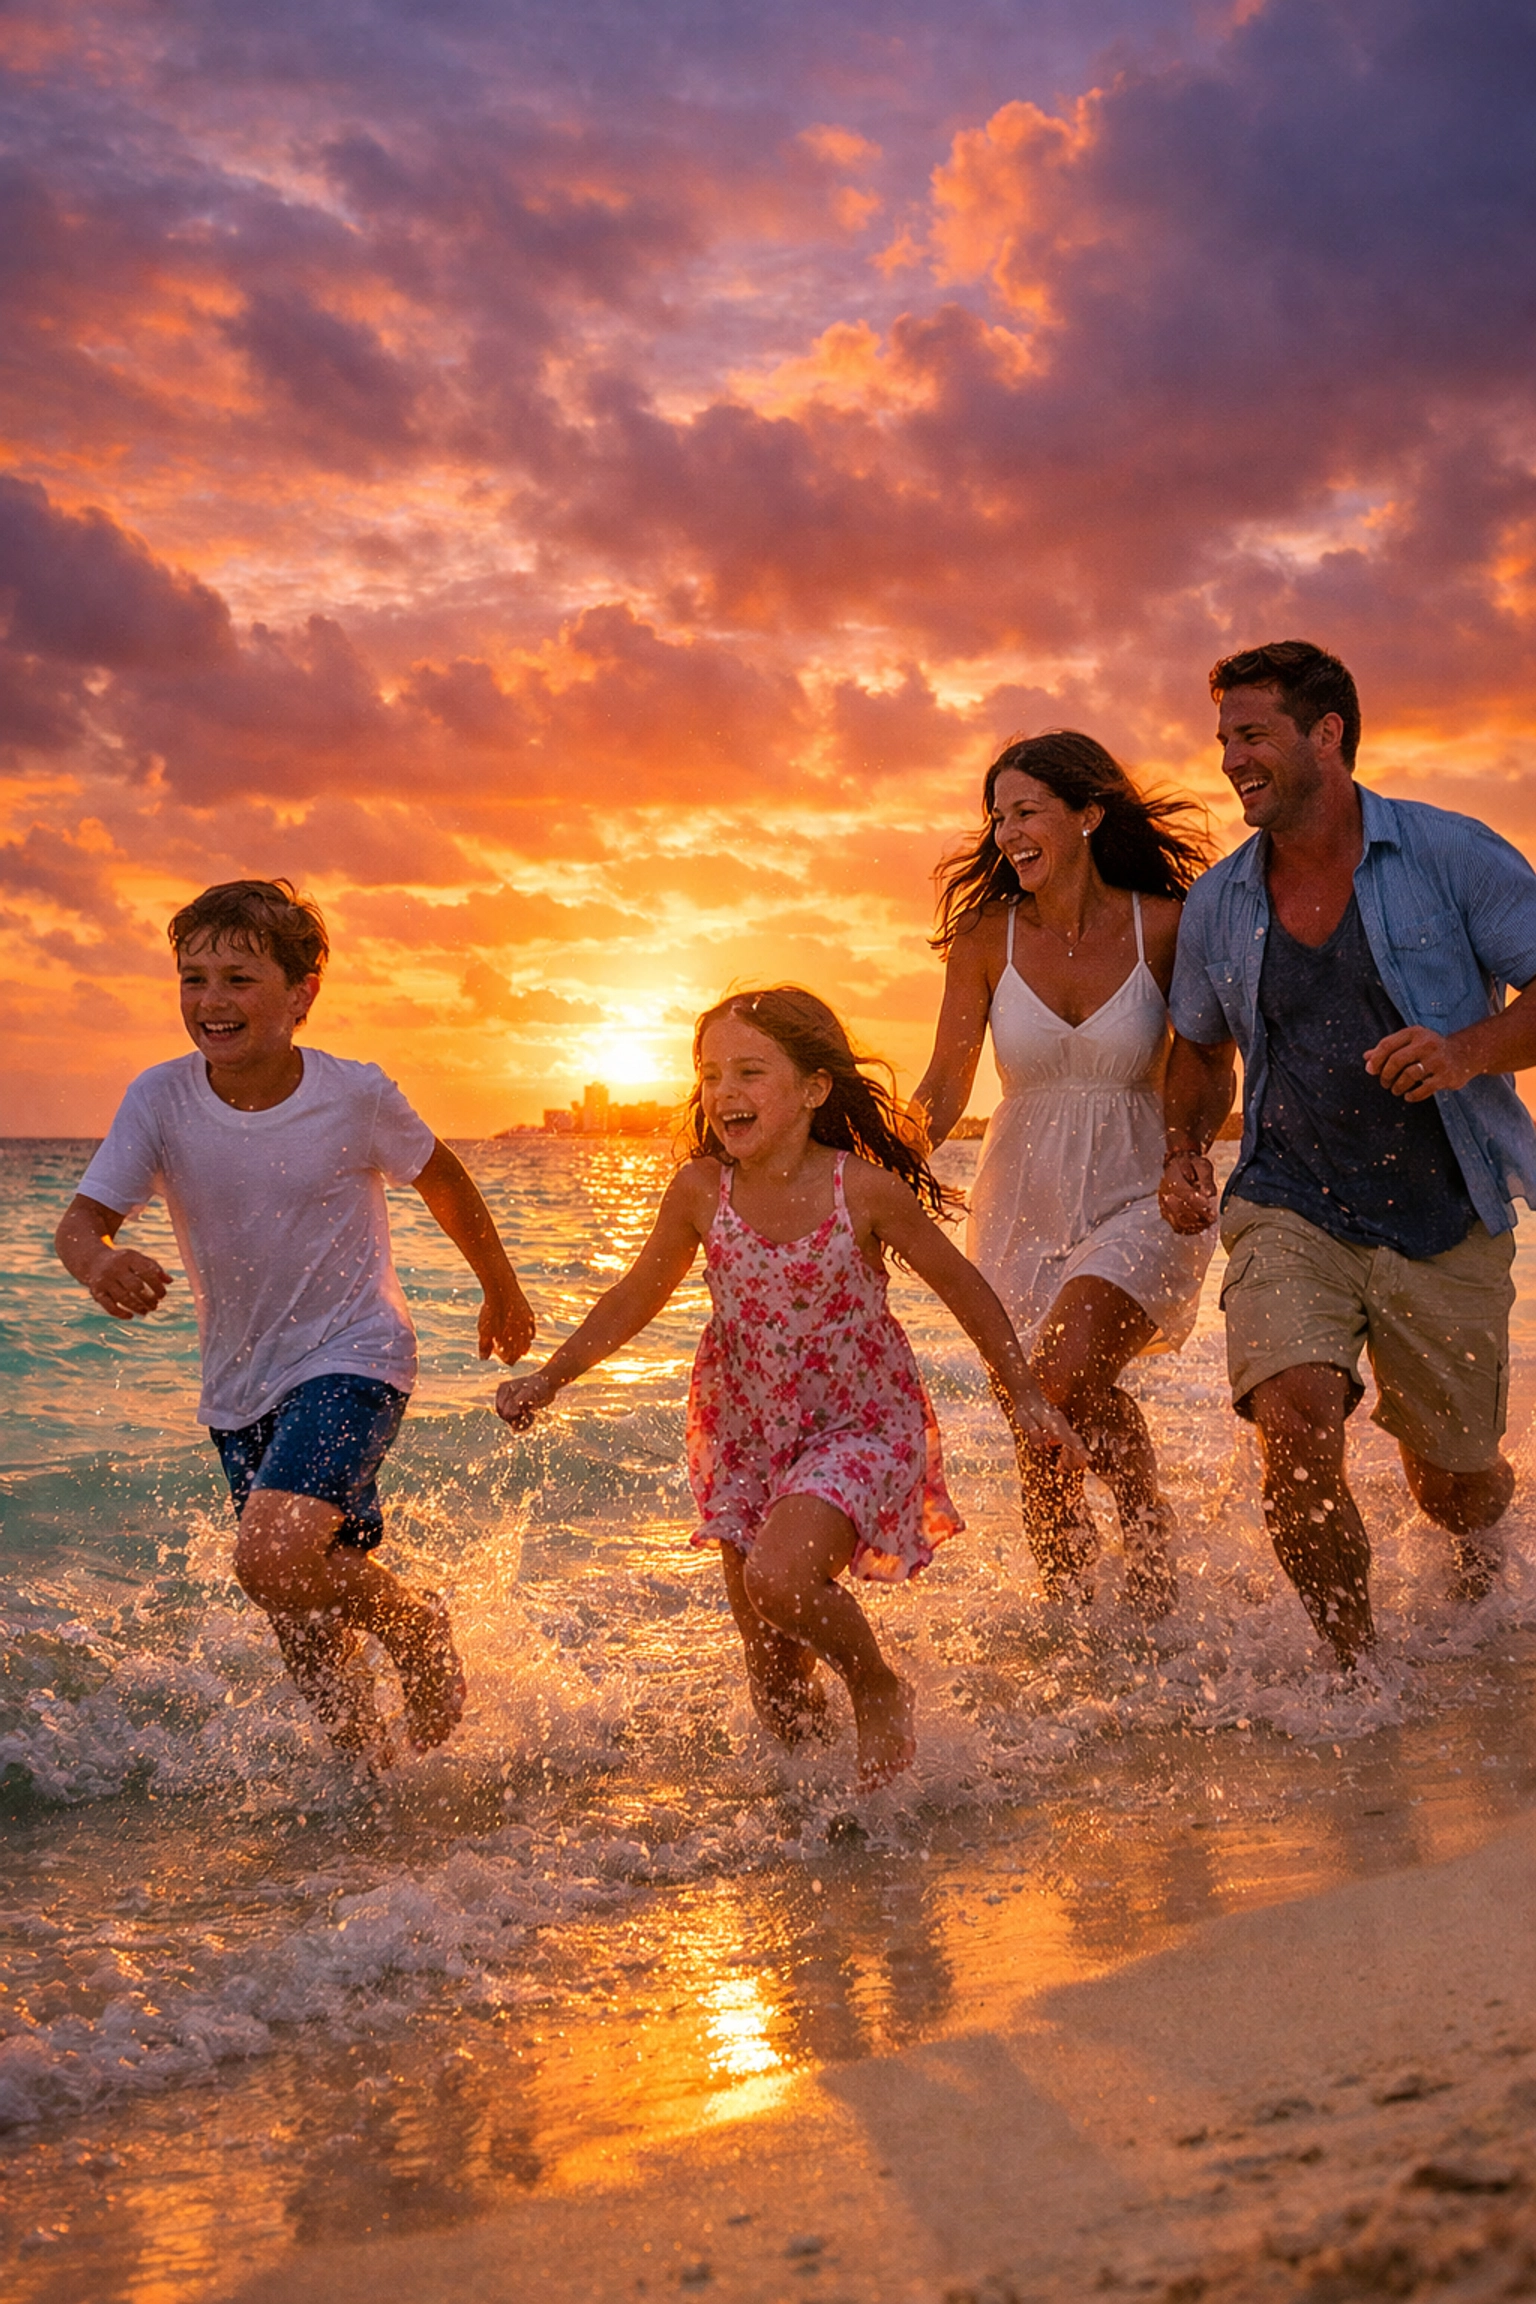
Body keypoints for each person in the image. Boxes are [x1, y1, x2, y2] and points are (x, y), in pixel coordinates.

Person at [495, 986, 1082, 1790]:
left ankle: (877, 1683)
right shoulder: (703, 1191)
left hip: (859, 1428)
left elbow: (964, 1287)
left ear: (813, 1089)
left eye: (749, 1072)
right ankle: (821, 1821)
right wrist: (552, 1376)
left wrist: (1027, 1394)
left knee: (780, 1580)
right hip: (747, 1434)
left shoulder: (863, 1191)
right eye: (709, 1076)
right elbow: (637, 1294)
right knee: (772, 1679)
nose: (724, 1094)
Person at [54, 878, 535, 1764]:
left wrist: (498, 1285)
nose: (211, 1002)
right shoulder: (159, 1099)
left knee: (269, 1557)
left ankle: (418, 1625)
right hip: (239, 1386)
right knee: (303, 1617)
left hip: (357, 1355)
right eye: (193, 979)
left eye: (237, 978)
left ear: (301, 993)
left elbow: (442, 1178)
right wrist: (99, 1263)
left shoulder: (353, 1095)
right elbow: (82, 1222)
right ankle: (375, 1792)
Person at [1160, 640, 1536, 1668]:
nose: (1231, 757)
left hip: (1444, 1212)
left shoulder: (1451, 856)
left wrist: (1467, 1052)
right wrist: (1187, 1146)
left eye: (1253, 734)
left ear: (1326, 734)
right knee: (1292, 1423)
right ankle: (1354, 1675)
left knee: (1455, 1493)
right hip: (1289, 1202)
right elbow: (1198, 1045)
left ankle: (1487, 1537)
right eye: (1224, 737)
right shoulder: (1221, 901)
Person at [909, 733, 1215, 1610]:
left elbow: (1206, 1058)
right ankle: (1082, 1621)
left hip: (1144, 1191)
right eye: (997, 817)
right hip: (1021, 1200)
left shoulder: (1165, 922)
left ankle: (1136, 1564)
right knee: (1050, 1413)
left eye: (1027, 811)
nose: (1007, 833)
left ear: (1088, 814)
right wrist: (864, 1181)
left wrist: (1189, 1156)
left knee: (1053, 1387)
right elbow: (940, 1087)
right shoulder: (982, 938)